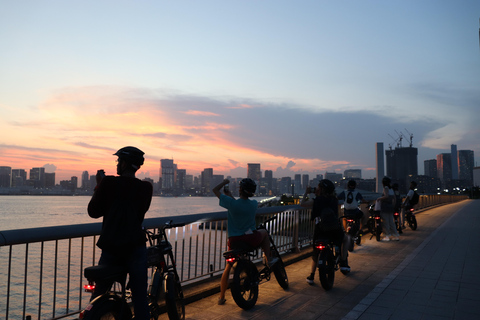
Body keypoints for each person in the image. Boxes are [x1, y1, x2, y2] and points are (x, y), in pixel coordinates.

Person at [87, 146, 153, 320]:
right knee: (140, 299)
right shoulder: (146, 188)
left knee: (98, 296)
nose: (117, 164)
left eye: (118, 161)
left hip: (111, 248)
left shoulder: (108, 183)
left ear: (124, 164)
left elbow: (93, 211)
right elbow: (139, 213)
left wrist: (99, 185)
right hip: (135, 249)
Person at [213, 178, 277, 305]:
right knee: (264, 232)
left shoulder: (231, 204)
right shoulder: (253, 204)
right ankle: (268, 259)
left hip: (234, 241)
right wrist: (230, 196)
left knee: (228, 267)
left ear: (240, 190)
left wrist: (225, 182)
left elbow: (215, 190)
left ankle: (221, 297)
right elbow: (242, 206)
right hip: (250, 239)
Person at [301, 179, 347, 284]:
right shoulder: (334, 199)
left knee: (316, 251)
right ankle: (343, 262)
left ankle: (311, 276)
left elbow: (302, 204)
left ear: (321, 189)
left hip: (320, 230)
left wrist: (307, 192)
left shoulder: (317, 200)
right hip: (334, 229)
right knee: (346, 239)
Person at [377, 176, 399, 242]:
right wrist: (393, 206)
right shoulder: (391, 189)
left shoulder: (386, 188)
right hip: (390, 207)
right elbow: (394, 198)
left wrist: (379, 198)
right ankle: (395, 235)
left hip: (385, 206)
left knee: (385, 221)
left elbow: (386, 196)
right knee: (391, 222)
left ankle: (387, 236)